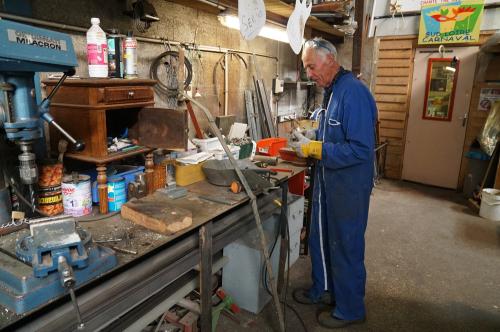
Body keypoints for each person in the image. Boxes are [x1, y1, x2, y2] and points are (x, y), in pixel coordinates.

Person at [289, 37, 377, 329]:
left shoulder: (354, 93)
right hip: (328, 181)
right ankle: (323, 290)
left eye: (311, 67)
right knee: (322, 238)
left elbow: (361, 149)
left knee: (346, 243)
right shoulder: (332, 90)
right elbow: (335, 133)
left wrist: (316, 150)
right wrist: (313, 137)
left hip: (349, 186)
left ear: (330, 60)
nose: (309, 74)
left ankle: (351, 308)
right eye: (306, 68)